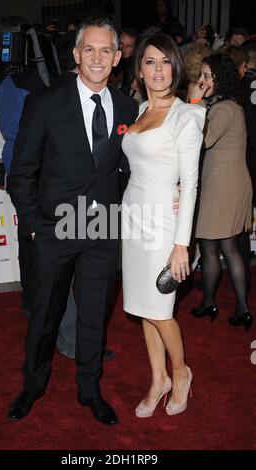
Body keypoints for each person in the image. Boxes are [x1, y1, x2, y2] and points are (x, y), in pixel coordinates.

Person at [7, 18, 139, 425]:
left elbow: (128, 169)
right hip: (54, 229)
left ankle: (89, 387)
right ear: (76, 54)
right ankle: (33, 385)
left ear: (117, 58)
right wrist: (32, 225)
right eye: (90, 50)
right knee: (45, 314)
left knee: (94, 315)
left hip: (102, 232)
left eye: (106, 51)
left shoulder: (128, 107)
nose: (97, 58)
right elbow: (22, 171)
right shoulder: (46, 102)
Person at [121, 33, 205, 418]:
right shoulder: (139, 110)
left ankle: (181, 371)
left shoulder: (185, 116)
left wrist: (181, 244)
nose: (158, 69)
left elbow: (190, 184)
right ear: (139, 68)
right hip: (133, 220)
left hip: (163, 226)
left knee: (160, 308)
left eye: (165, 61)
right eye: (150, 61)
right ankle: (158, 379)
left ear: (176, 67)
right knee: (141, 305)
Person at [189, 54, 253, 331]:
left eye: (206, 76)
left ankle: (239, 308)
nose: (201, 81)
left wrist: (195, 102)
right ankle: (214, 302)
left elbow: (204, 139)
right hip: (223, 184)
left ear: (220, 78)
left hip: (225, 187)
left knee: (220, 247)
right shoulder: (225, 105)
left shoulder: (225, 108)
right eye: (200, 75)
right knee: (215, 247)